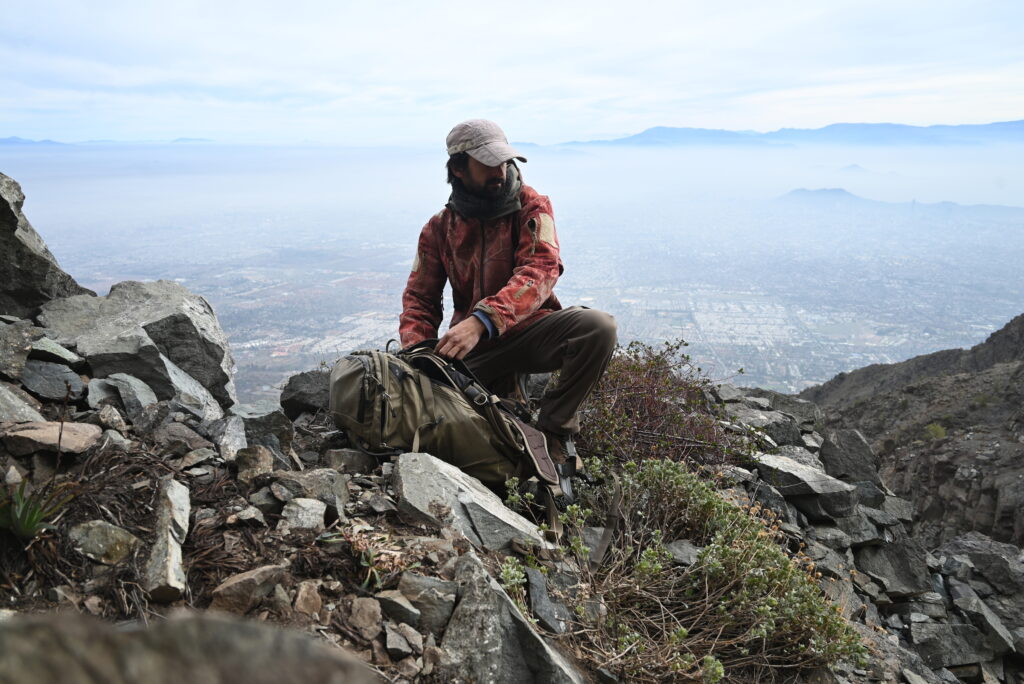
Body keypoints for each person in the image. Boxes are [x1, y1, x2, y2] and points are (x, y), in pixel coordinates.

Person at [399, 119, 617, 474]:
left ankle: (556, 430)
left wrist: (484, 320)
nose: (499, 170)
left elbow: (541, 268)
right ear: (458, 167)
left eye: (502, 160)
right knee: (459, 423)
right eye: (487, 163)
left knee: (597, 328)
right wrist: (419, 353)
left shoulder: (532, 206)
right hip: (472, 351)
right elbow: (419, 298)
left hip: (530, 333)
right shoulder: (439, 229)